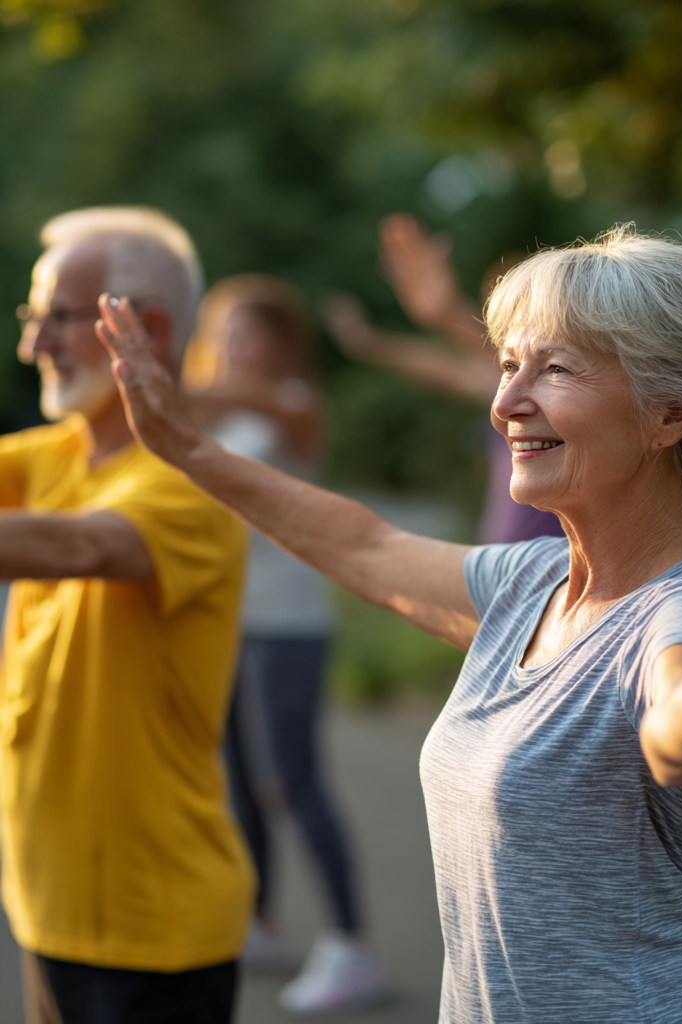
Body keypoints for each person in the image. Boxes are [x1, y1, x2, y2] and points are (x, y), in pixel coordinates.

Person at [100, 226, 682, 1024]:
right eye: (511, 364)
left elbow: (679, 729)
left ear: (670, 415)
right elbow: (364, 544)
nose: (507, 401)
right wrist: (188, 449)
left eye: (557, 369)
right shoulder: (529, 581)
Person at [1, 207, 251, 1024]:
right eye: (31, 318)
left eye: (55, 319)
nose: (32, 345)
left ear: (139, 328)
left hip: (150, 939)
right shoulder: (60, 453)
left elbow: (80, 550)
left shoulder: (189, 482)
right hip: (55, 918)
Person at [184, 275, 384, 1012]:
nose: (234, 344)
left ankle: (353, 946)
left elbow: (225, 402)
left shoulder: (293, 402)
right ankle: (262, 922)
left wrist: (166, 382)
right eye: (223, 329)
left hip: (289, 621)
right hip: (230, 619)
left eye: (248, 330)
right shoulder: (215, 401)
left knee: (290, 782)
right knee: (240, 783)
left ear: (279, 338)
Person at [323, 213, 562, 542]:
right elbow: (442, 367)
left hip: (552, 564)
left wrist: (448, 314)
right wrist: (372, 344)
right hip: (505, 560)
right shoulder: (503, 385)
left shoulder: (562, 382)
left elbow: (507, 359)